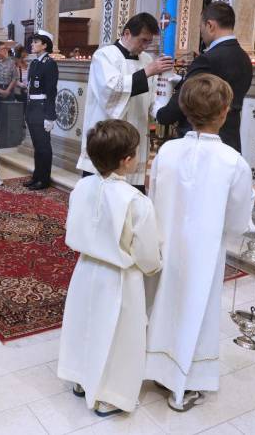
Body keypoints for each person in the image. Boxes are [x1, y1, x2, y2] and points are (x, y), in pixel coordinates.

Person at [145, 74, 255, 412]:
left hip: (166, 241)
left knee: (164, 302)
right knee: (196, 309)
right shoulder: (233, 161)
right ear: (225, 111)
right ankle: (183, 386)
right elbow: (238, 216)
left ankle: (156, 367)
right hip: (204, 249)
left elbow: (153, 198)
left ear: (184, 108)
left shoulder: (167, 151)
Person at [57, 119, 163, 417]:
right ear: (127, 161)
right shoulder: (136, 201)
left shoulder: (81, 186)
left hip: (86, 269)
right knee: (118, 336)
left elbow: (73, 227)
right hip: (120, 278)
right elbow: (146, 253)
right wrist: (153, 267)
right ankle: (109, 395)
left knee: (85, 324)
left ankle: (81, 378)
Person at [76, 13, 174, 191]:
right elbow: (111, 89)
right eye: (142, 40)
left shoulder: (146, 60)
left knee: (131, 195)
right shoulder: (104, 56)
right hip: (108, 138)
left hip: (136, 133)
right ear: (127, 33)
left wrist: (164, 109)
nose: (144, 47)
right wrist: (147, 72)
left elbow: (151, 98)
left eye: (148, 42)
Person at [154, 1, 252, 152]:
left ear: (210, 25)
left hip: (201, 141)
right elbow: (215, 89)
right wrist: (182, 81)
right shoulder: (244, 57)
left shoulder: (209, 58)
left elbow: (187, 97)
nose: (201, 34)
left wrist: (161, 114)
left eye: (201, 28)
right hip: (230, 140)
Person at [24, 30, 59, 190]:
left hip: (42, 108)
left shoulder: (49, 64)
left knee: (44, 146)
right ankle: (37, 175)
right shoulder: (35, 62)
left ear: (45, 45)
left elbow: (52, 92)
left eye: (36, 42)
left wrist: (50, 116)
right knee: (37, 145)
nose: (32, 44)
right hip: (32, 108)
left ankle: (44, 179)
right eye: (32, 42)